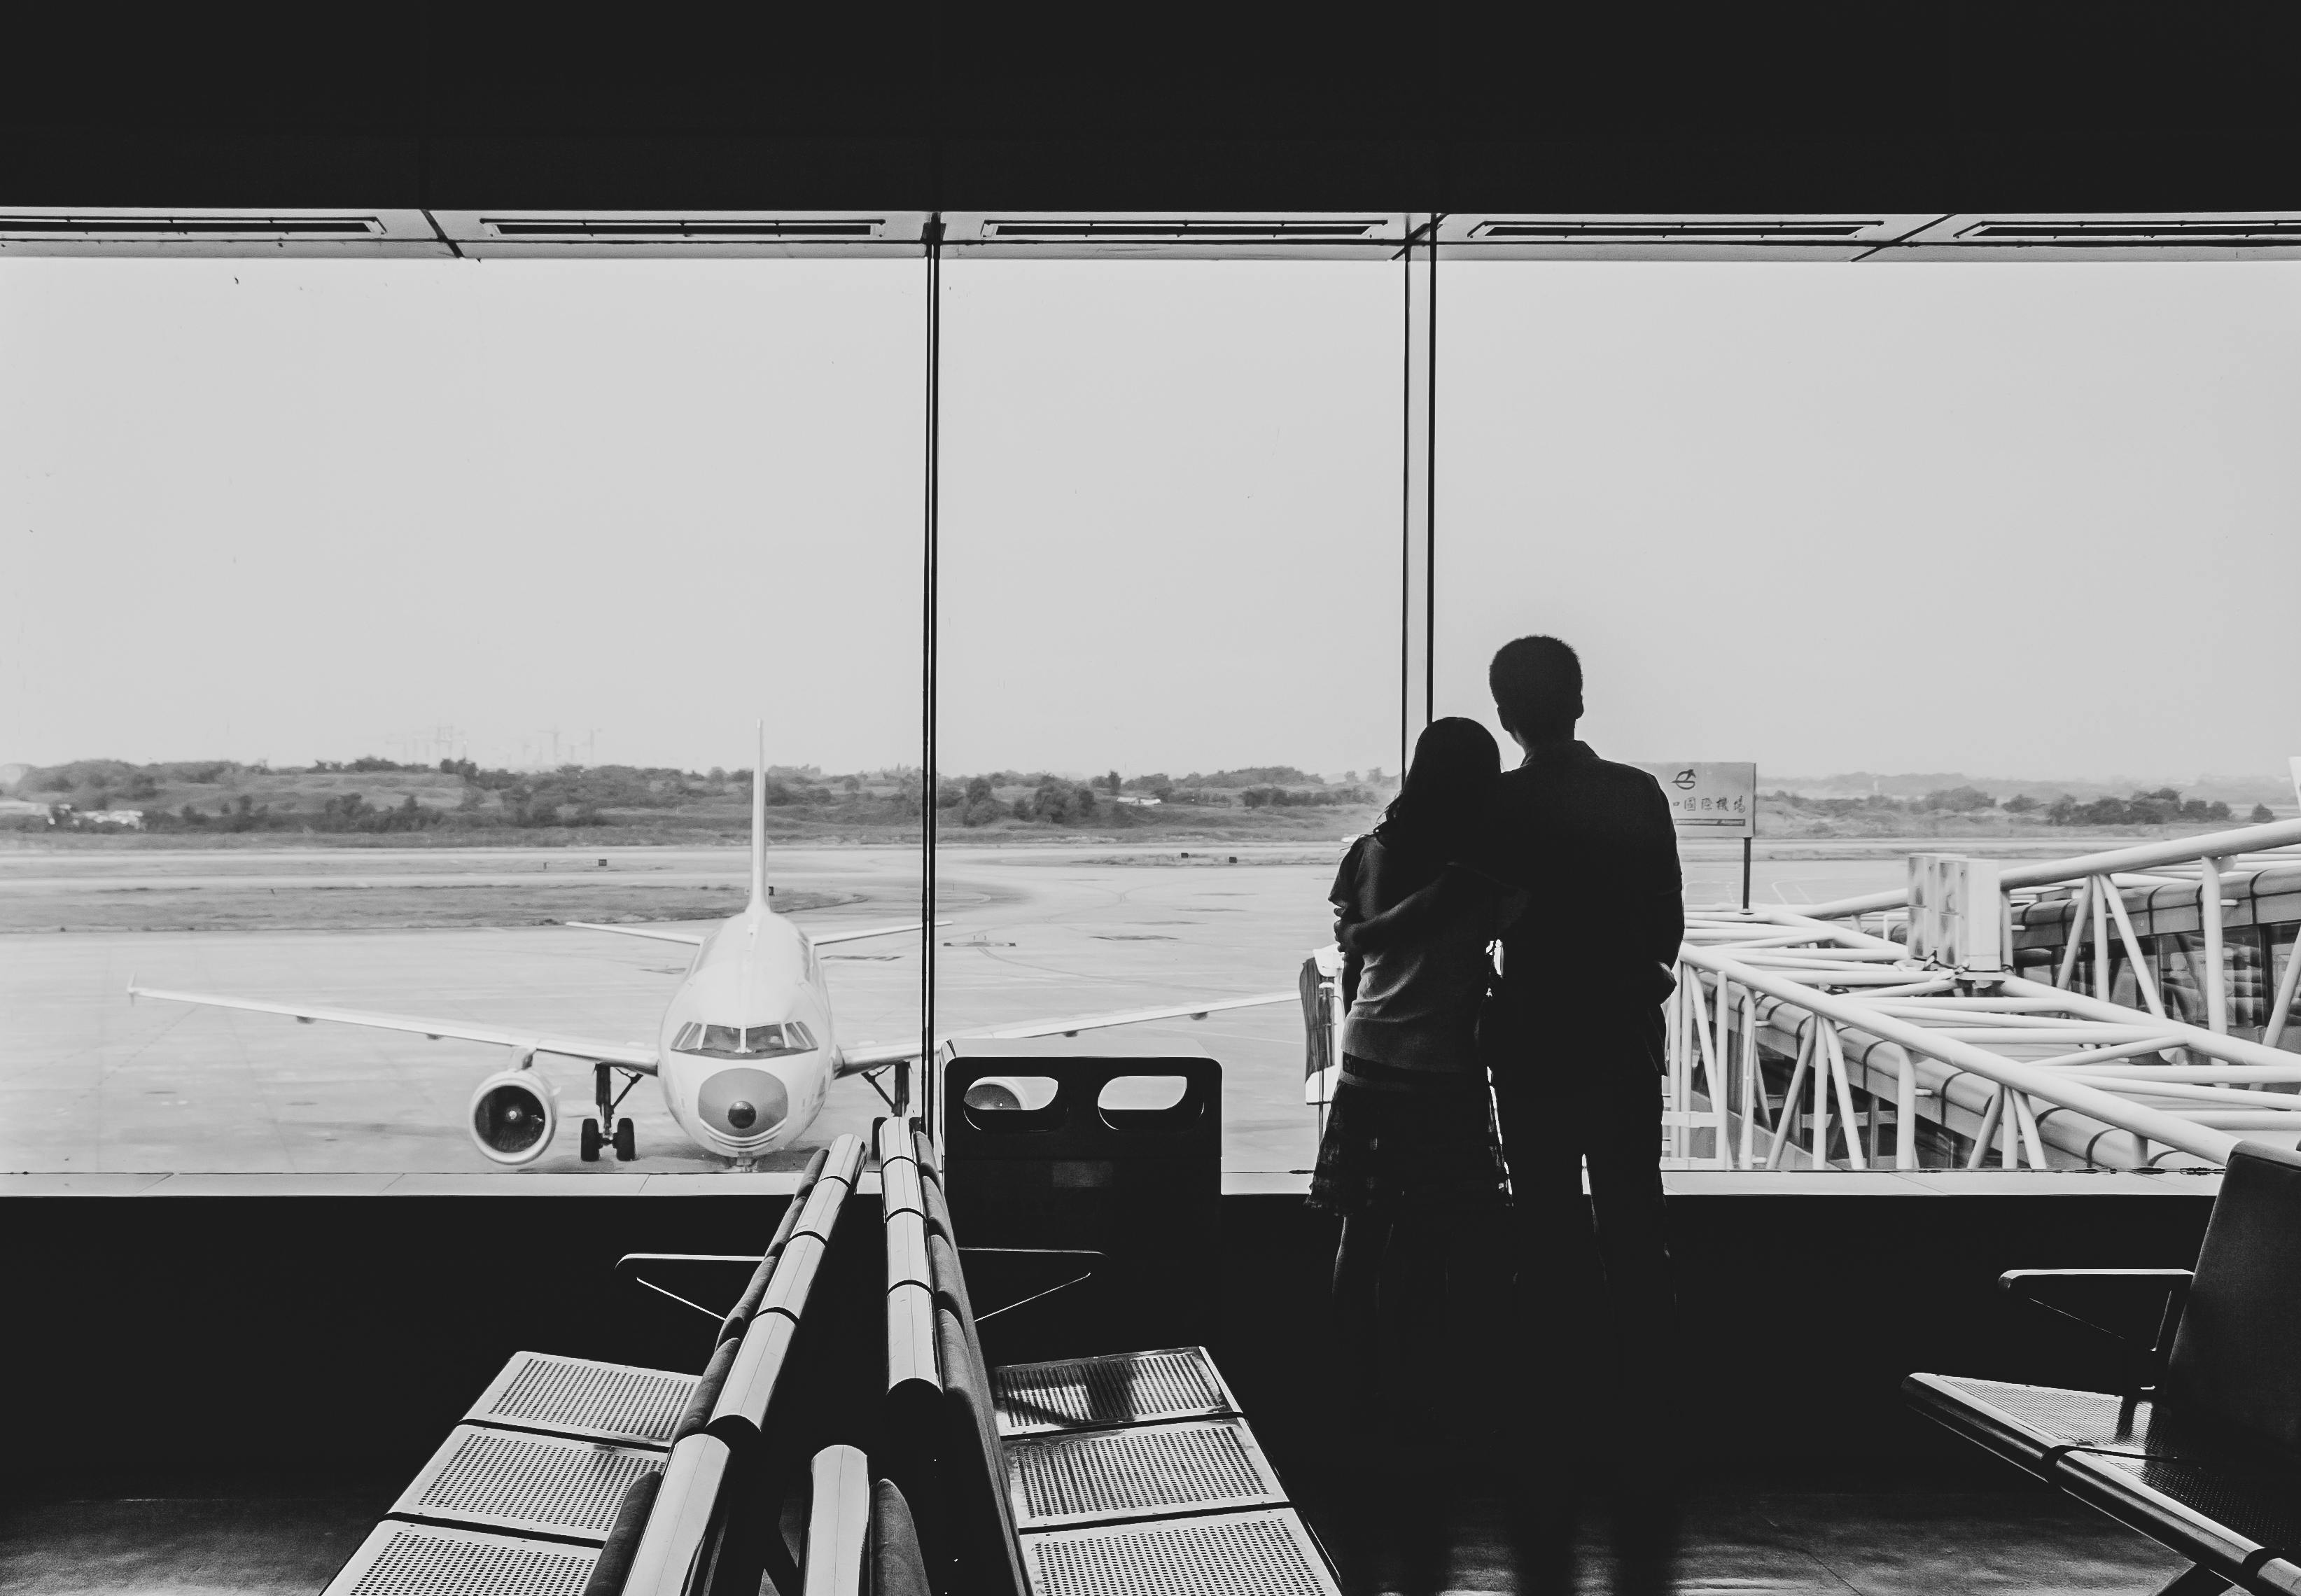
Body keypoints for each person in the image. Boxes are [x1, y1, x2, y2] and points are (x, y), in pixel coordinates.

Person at [1343, 638, 1682, 1464]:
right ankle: (1647, 1404)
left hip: (1532, 1038)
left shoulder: (1497, 806)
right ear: (1578, 698)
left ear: (1504, 712)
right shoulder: (1637, 794)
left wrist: (1367, 930)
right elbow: (1666, 925)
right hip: (1624, 1033)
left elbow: (1453, 904)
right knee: (1634, 1216)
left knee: (1548, 1221)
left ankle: (1559, 1402)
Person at [1309, 717, 1525, 1484]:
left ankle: (1347, 1392)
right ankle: (1414, 1400)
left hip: (1367, 1058)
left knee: (1357, 1236)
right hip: (1442, 1069)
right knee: (1428, 1242)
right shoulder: (1489, 872)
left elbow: (1351, 947)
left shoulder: (1366, 853)